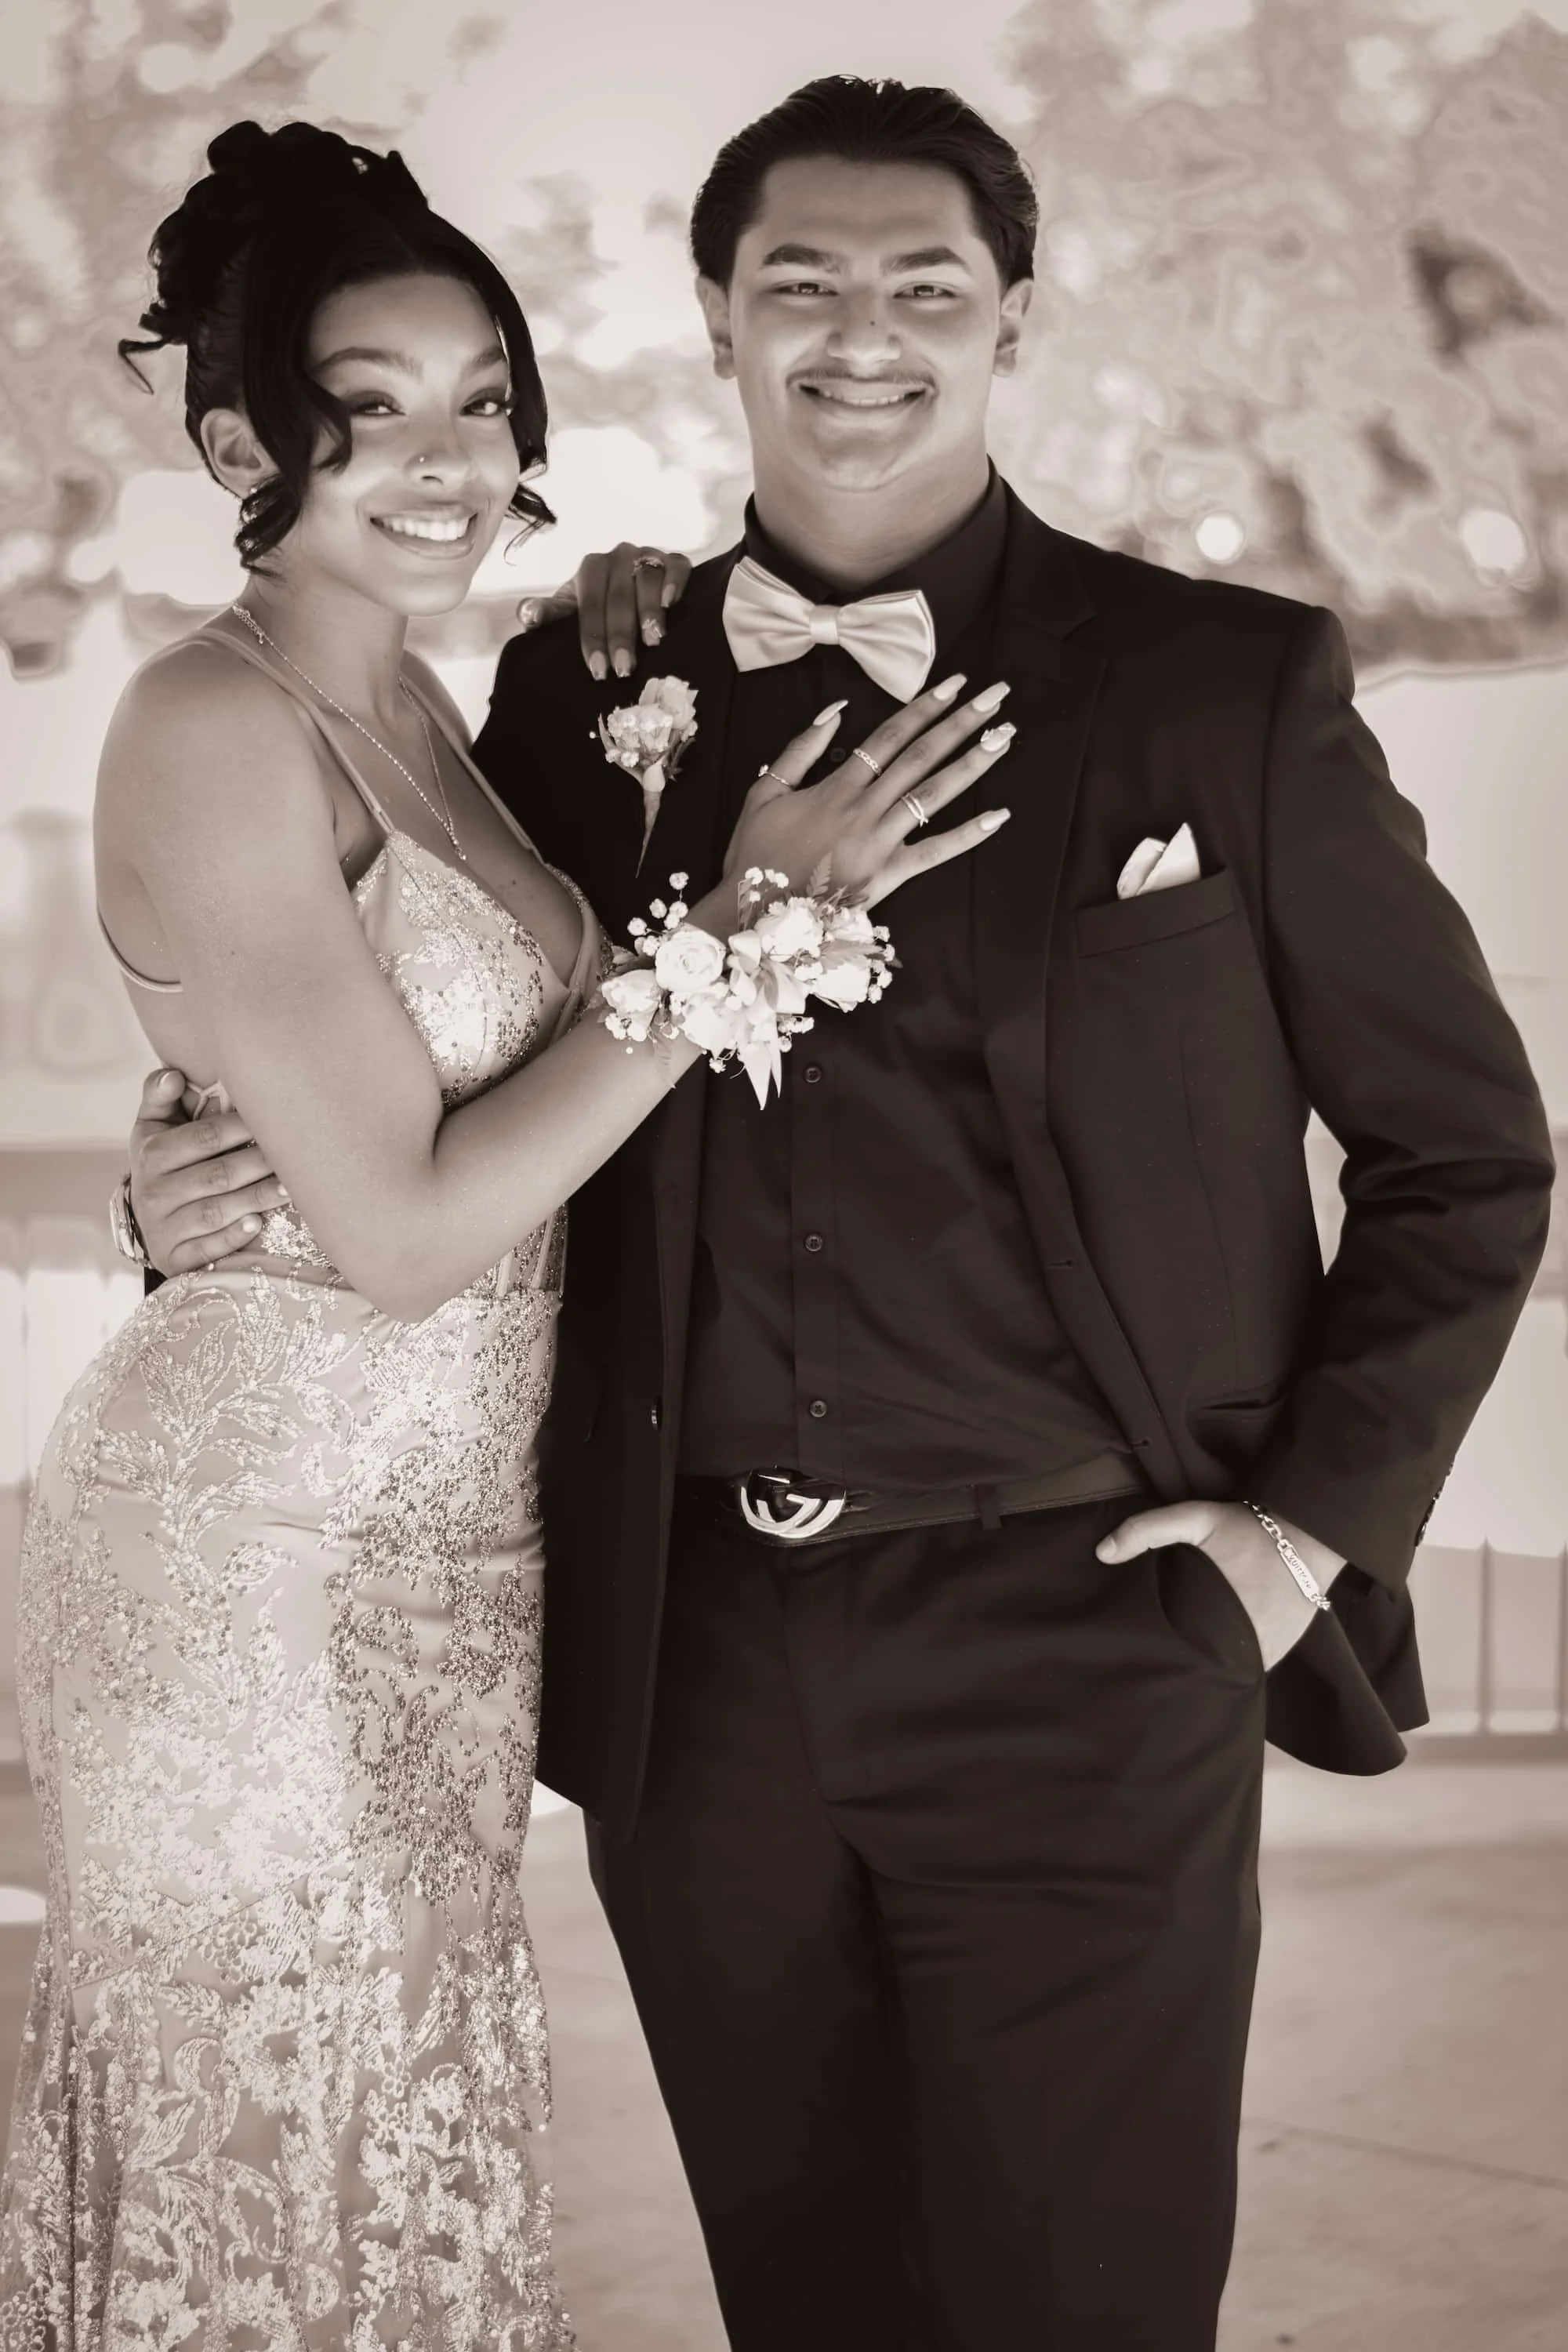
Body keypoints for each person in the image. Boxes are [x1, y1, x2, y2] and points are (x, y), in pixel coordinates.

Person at [125, 77, 1555, 2352]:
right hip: (698, 1680)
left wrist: (1297, 1539)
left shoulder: (1220, 685)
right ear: (716, 322)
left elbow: (1472, 1157)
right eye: (800, 280)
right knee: (808, 2310)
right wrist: (195, 1162)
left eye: (926, 285)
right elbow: (415, 1025)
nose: (861, 333)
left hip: (1089, 1634)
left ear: (1013, 320)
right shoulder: (579, 685)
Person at [0, 119, 1011, 2351]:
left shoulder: (439, 713)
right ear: (248, 439)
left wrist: (631, 638)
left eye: (484, 400)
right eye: (374, 414)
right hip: (251, 1566)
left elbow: (399, 1087)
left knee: (413, 2126)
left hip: (455, 1560)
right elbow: (406, 1226)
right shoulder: (206, 717)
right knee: (262, 2148)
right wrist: (741, 926)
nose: (451, 460)